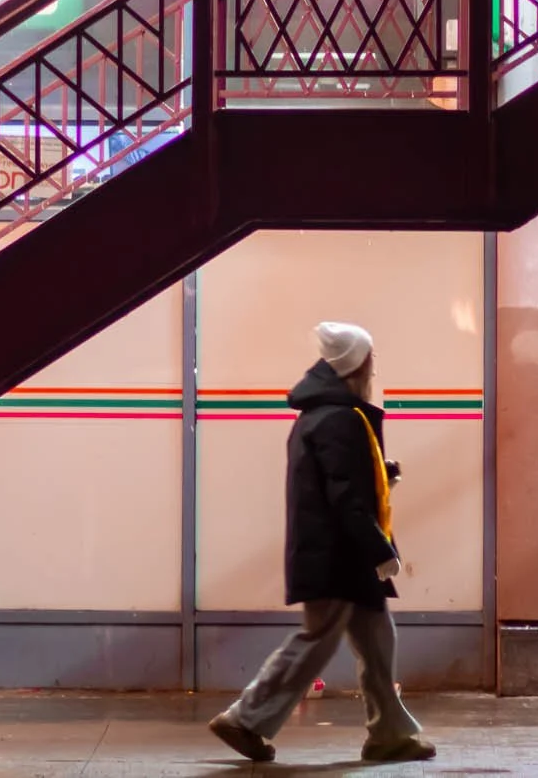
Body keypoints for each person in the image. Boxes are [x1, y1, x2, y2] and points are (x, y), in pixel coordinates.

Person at [208, 322, 434, 764]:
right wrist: (379, 550)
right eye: (370, 359)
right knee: (317, 640)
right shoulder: (339, 419)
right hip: (338, 557)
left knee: (377, 640)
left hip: (336, 553)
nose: (374, 367)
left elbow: (338, 480)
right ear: (356, 364)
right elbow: (344, 498)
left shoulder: (324, 414)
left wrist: (379, 474)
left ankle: (389, 732)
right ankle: (245, 719)